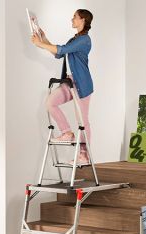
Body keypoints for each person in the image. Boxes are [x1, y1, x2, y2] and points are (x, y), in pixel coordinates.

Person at [31, 9, 94, 164]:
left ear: (83, 20)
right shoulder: (75, 39)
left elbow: (62, 50)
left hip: (82, 84)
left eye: (75, 17)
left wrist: (40, 43)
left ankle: (84, 155)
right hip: (70, 82)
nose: (72, 19)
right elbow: (58, 53)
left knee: (83, 121)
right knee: (50, 103)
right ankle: (67, 132)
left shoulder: (85, 40)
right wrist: (43, 38)